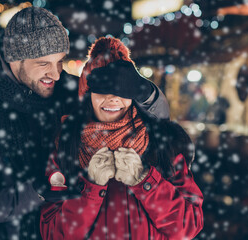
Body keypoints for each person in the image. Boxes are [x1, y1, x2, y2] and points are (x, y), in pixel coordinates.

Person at [0, 8, 168, 240]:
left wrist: (146, 93)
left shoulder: (70, 91)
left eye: (60, 62)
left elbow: (157, 123)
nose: (55, 74)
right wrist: (36, 191)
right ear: (14, 58)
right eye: (44, 63)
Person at [40, 37, 204, 239]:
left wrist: (146, 182)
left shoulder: (162, 143)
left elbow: (189, 226)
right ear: (87, 94)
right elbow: (53, 233)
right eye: (101, 89)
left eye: (122, 89)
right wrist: (90, 190)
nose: (112, 98)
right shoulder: (66, 143)